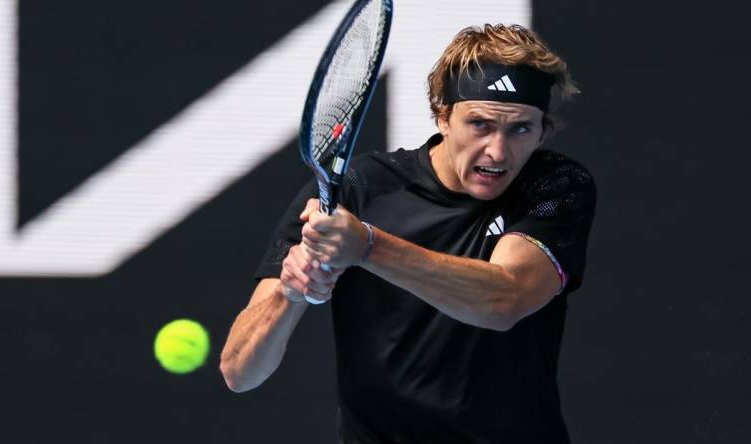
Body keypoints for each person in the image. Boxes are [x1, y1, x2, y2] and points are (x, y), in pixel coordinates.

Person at [220, 23, 597, 443]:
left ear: (544, 131)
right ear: (442, 116)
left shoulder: (554, 185)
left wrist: (366, 246)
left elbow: (504, 300)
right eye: (479, 124)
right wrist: (290, 292)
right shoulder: (359, 188)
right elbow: (240, 371)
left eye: (520, 129)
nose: (497, 151)